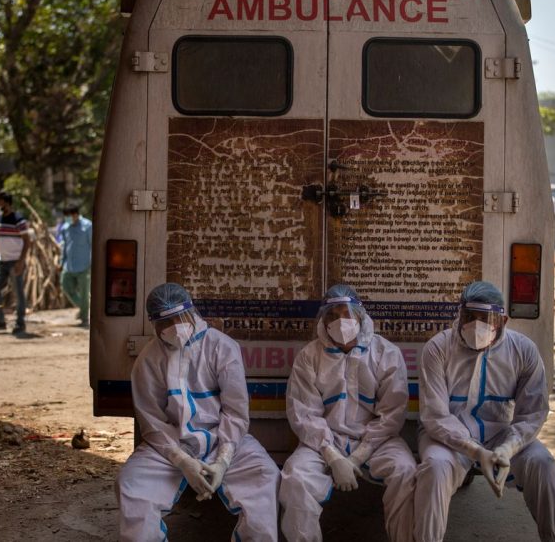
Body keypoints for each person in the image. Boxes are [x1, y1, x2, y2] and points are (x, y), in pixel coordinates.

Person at [117, 283, 279, 542]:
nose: (174, 327)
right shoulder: (148, 360)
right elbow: (152, 423)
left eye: (179, 318)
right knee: (132, 485)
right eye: (165, 322)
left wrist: (223, 460)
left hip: (221, 440)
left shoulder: (222, 347)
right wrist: (182, 461)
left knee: (264, 476)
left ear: (193, 312)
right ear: (154, 325)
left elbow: (235, 414)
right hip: (169, 448)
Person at [415, 282, 555, 542]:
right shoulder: (438, 348)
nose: (476, 325)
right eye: (469, 317)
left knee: (544, 465)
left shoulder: (524, 351)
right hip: (448, 437)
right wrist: (474, 450)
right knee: (435, 468)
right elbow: (436, 416)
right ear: (459, 314)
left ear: (503, 320)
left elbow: (532, 414)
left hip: (502, 435)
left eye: (485, 318)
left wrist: (508, 448)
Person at [280, 285, 417, 542]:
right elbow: (305, 414)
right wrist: (333, 456)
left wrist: (356, 458)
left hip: (378, 441)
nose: (341, 322)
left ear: (360, 316)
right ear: (323, 320)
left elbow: (391, 415)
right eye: (333, 315)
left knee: (406, 471)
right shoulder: (309, 356)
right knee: (295, 477)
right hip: (323, 442)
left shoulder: (386, 353)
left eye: (347, 313)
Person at [0, 190, 29, 335]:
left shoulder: (18, 219)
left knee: (18, 293)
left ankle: (20, 323)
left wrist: (21, 262)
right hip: (1, 261)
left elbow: (27, 241)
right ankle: (0, 321)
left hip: (15, 261)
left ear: (6, 202)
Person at [58, 204, 93, 328]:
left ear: (76, 214)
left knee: (84, 293)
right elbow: (64, 246)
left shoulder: (87, 226)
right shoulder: (65, 228)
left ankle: (84, 317)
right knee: (66, 286)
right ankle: (83, 307)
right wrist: (61, 262)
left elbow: (93, 246)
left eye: (69, 216)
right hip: (69, 266)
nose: (67, 218)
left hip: (84, 266)